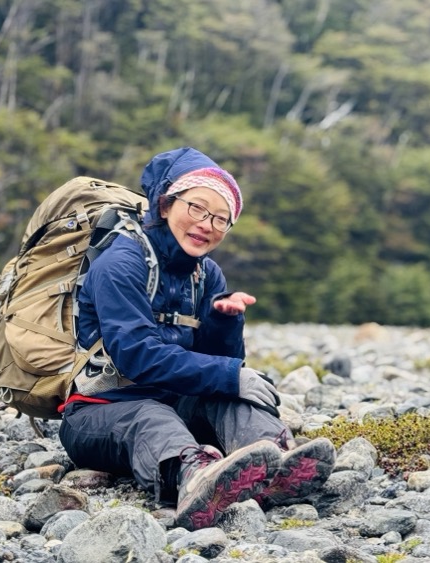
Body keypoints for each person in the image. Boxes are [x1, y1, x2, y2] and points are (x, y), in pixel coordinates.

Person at [57, 147, 335, 531]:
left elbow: (210, 369)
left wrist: (224, 326)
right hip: (98, 412)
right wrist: (232, 373)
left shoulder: (208, 275)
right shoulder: (120, 263)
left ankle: (278, 462)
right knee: (153, 414)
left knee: (228, 395)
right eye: (198, 209)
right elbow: (136, 355)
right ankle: (194, 479)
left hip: (172, 403)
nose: (208, 224)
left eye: (222, 219)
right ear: (166, 204)